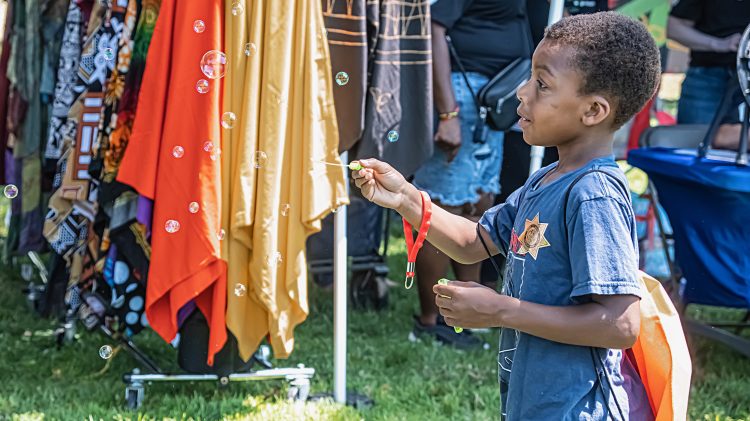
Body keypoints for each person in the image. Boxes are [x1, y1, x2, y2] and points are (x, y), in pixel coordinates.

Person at [353, 12, 658, 419]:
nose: (522, 92)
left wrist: (499, 309)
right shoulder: (547, 179)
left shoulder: (593, 194)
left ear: (593, 110)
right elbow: (473, 243)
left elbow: (619, 324)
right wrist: (407, 198)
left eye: (542, 84)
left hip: (580, 409)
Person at [409, 0, 533, 349]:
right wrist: (447, 114)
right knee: (443, 207)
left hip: (493, 100)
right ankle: (431, 321)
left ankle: (465, 316)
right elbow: (435, 27)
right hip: (463, 94)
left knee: (479, 203)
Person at [667, 0, 750, 124]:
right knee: (693, 139)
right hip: (707, 75)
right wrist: (718, 44)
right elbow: (673, 27)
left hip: (744, 77)